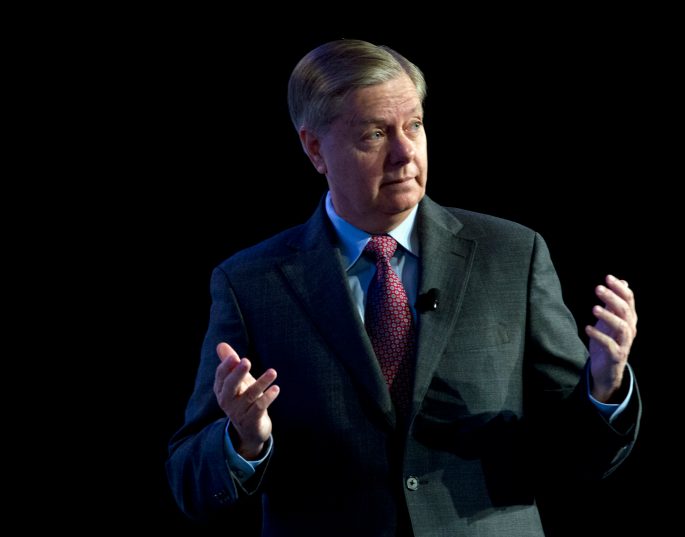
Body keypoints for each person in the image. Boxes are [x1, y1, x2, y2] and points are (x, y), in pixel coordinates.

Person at [166, 39, 641, 536]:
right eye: (374, 134)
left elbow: (582, 458)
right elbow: (188, 482)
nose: (404, 152)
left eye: (413, 125)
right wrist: (243, 441)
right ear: (314, 149)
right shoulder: (251, 283)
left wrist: (604, 389)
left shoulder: (512, 255)